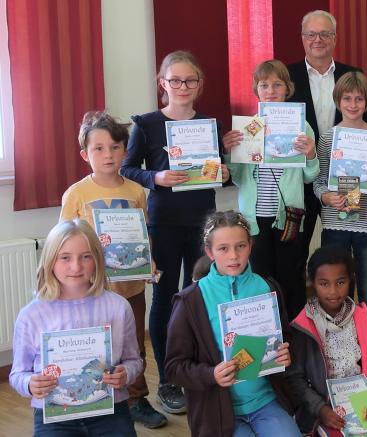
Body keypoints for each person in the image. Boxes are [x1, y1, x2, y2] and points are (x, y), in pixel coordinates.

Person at [121, 50, 227, 415]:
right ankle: (168, 378)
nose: (183, 86)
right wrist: (156, 178)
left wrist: (223, 173)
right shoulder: (146, 124)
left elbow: (218, 167)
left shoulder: (209, 124)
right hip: (163, 222)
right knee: (166, 298)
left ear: (199, 84)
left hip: (203, 223)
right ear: (162, 83)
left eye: (190, 80)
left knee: (199, 293)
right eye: (175, 80)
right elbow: (128, 168)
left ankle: (200, 370)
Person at [59, 111, 167, 428]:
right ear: (85, 154)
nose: (108, 155)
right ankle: (94, 399)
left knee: (132, 344)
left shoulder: (135, 190)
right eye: (99, 148)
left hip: (130, 289)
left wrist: (150, 259)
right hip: (91, 291)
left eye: (115, 147)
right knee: (95, 348)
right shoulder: (77, 194)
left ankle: (136, 399)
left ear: (125, 150)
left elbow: (143, 233)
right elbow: (63, 244)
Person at [164, 211, 297, 437]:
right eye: (223, 248)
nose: (233, 256)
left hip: (265, 400)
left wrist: (286, 354)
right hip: (217, 409)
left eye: (240, 246)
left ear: (250, 246)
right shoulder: (191, 300)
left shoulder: (268, 287)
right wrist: (211, 374)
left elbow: (285, 337)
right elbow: (174, 368)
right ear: (210, 252)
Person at [9, 220, 142, 436]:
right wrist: (30, 384)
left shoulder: (118, 307)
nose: (76, 266)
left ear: (98, 259)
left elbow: (134, 360)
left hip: (110, 409)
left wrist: (126, 373)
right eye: (65, 258)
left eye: (86, 256)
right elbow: (17, 374)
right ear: (50, 260)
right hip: (54, 416)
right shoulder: (31, 315)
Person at [222, 59, 319, 320]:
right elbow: (240, 178)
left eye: (277, 84)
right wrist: (230, 154)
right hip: (254, 221)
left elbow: (310, 176)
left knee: (290, 280)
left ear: (288, 88)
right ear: (257, 90)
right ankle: (265, 335)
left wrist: (310, 154)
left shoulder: (302, 125)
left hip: (288, 218)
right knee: (259, 281)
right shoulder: (248, 127)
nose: (271, 90)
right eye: (264, 85)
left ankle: (295, 339)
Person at [284, 247, 367, 437]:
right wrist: (321, 409)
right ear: (313, 283)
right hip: (327, 406)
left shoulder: (359, 316)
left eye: (340, 282)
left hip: (362, 400)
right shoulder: (303, 326)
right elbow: (295, 379)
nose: (333, 291)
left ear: (350, 280)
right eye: (324, 284)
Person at [287, 9, 367, 254]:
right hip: (299, 176)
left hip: (345, 178)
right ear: (303, 38)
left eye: (325, 34)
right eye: (311, 34)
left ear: (335, 38)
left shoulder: (353, 75)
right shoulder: (286, 76)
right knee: (295, 250)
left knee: (341, 252)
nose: (318, 40)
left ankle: (341, 294)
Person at [314, 72, 367, 336]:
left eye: (359, 99)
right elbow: (319, 180)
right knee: (336, 288)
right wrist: (326, 196)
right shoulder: (327, 138)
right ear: (338, 101)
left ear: (366, 102)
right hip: (335, 224)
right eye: (347, 98)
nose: (353, 104)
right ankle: (337, 343)